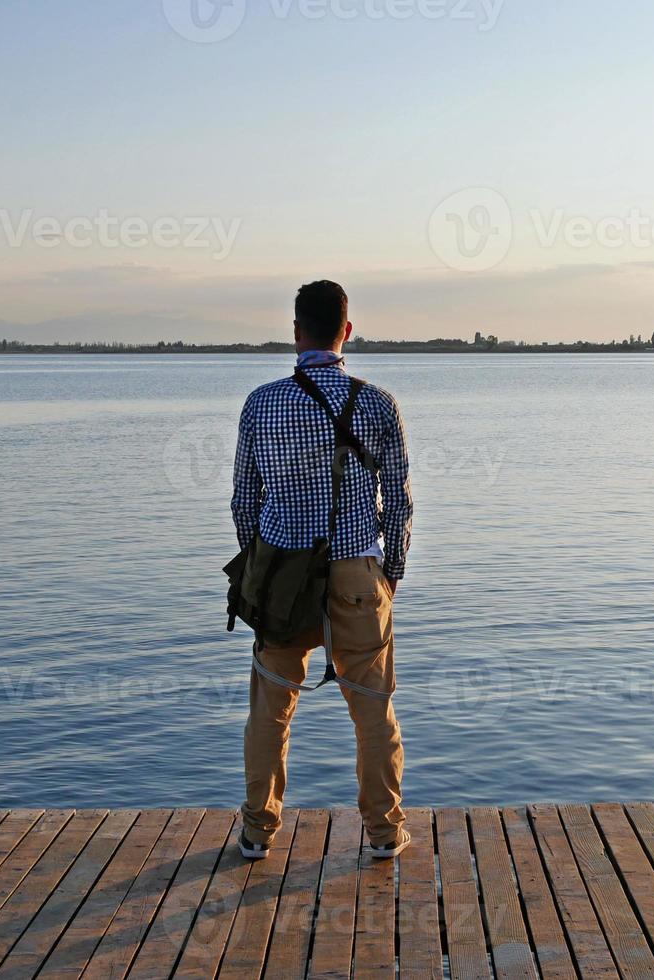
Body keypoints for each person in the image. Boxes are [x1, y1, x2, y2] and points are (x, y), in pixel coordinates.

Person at [230, 280, 413, 860]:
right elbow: (401, 501)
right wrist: (391, 572)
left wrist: (261, 567)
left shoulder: (261, 403)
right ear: (347, 332)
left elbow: (243, 502)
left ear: (295, 331)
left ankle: (259, 832)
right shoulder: (380, 403)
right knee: (373, 709)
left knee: (271, 709)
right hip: (358, 572)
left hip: (284, 576)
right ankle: (384, 833)